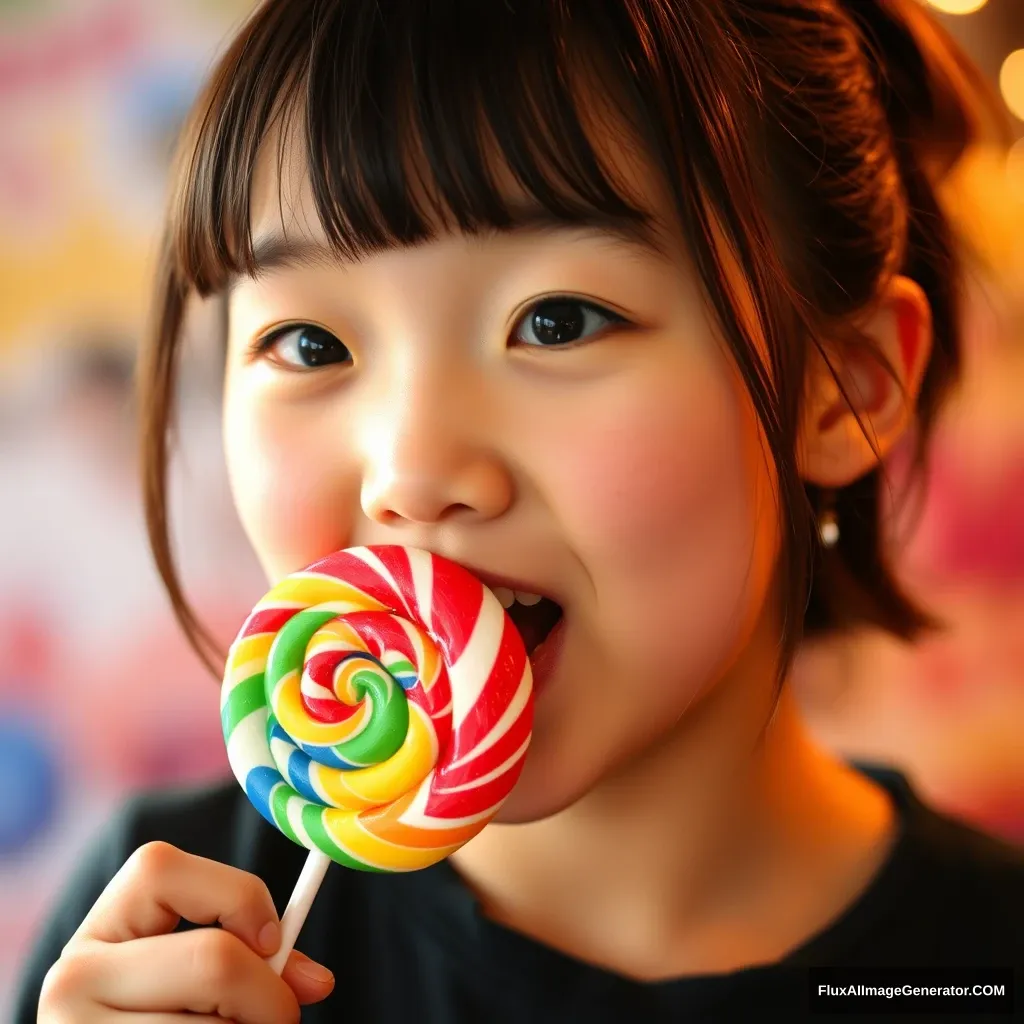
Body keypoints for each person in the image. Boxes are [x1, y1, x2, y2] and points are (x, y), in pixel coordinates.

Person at [15, 0, 1024, 1021]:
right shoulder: (160, 943)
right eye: (310, 344)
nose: (409, 470)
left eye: (556, 322)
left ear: (844, 384)